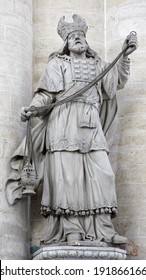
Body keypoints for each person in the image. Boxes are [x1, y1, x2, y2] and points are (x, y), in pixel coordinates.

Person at [6, 14, 138, 246]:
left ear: (86, 40)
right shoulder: (57, 64)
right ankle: (71, 230)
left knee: (103, 175)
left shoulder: (98, 64)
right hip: (63, 125)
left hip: (91, 124)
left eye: (81, 35)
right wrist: (34, 109)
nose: (78, 39)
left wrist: (125, 56)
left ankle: (104, 229)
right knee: (67, 179)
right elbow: (46, 94)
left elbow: (115, 82)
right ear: (66, 43)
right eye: (73, 36)